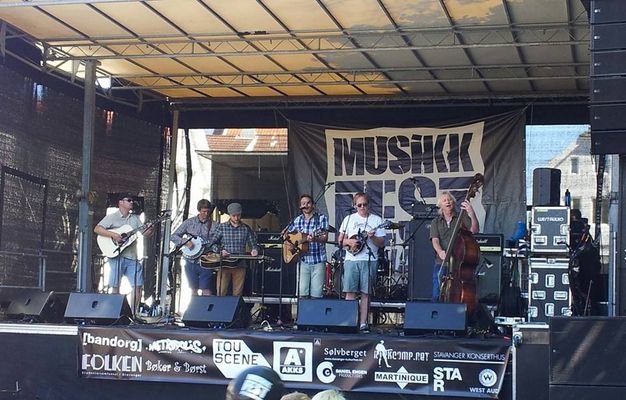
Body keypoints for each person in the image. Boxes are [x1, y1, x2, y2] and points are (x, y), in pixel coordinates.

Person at [94, 192, 153, 311]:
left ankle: (133, 313)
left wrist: (150, 229)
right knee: (115, 286)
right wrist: (113, 235)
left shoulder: (135, 219)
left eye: (132, 200)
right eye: (129, 200)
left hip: (132, 257)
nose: (132, 202)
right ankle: (113, 312)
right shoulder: (112, 217)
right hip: (116, 256)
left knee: (137, 285)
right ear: (121, 202)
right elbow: (97, 229)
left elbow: (146, 234)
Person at [337, 192, 386, 332]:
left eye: (365, 204)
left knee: (366, 293)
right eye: (359, 205)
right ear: (354, 206)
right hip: (351, 259)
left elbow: (381, 243)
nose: (362, 207)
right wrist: (349, 242)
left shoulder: (377, 220)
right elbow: (340, 241)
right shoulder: (348, 219)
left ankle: (363, 323)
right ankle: (348, 322)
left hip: (369, 259)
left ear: (369, 205)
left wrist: (373, 237)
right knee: (350, 291)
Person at [430, 191, 479, 302]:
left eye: (450, 200)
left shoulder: (462, 217)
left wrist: (471, 213)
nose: (448, 202)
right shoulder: (435, 222)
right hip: (441, 262)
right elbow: (435, 240)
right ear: (440, 205)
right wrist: (440, 252)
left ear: (454, 202)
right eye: (445, 200)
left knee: (459, 293)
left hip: (459, 263)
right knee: (437, 293)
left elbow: (474, 230)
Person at [283, 194, 329, 299]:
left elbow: (325, 237)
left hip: (318, 260)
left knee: (316, 296)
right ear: (300, 206)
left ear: (313, 205)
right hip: (302, 260)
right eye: (303, 203)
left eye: (308, 203)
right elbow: (285, 235)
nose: (306, 205)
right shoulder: (297, 220)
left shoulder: (321, 218)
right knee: (302, 295)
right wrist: (290, 244)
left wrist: (315, 239)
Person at [209, 202, 259, 296]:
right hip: (224, 264)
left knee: (238, 293)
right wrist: (220, 251)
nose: (236, 218)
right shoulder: (222, 227)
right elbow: (212, 243)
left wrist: (254, 250)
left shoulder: (246, 228)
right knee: (221, 291)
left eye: (238, 215)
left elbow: (253, 244)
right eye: (234, 216)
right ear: (229, 215)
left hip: (240, 264)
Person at [170, 199, 215, 296]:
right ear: (199, 210)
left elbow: (218, 242)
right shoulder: (189, 222)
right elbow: (173, 236)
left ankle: (206, 306)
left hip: (206, 261)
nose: (206, 214)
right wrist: (186, 242)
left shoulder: (214, 225)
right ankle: (195, 305)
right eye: (204, 211)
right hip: (190, 261)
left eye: (208, 211)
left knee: (206, 289)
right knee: (193, 289)